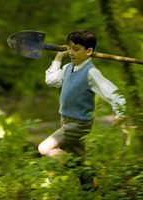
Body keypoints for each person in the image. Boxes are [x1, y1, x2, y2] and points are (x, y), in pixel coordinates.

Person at [38, 30, 126, 188]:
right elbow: (51, 80)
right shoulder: (67, 68)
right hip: (65, 120)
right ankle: (90, 186)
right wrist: (58, 58)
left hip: (79, 124)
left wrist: (121, 113)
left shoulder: (91, 73)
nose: (71, 52)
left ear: (89, 51)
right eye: (70, 48)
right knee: (77, 160)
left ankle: (86, 173)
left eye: (76, 49)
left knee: (44, 148)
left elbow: (113, 93)